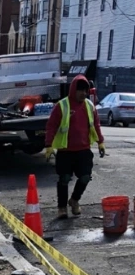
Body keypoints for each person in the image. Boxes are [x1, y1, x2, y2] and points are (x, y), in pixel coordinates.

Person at [44, 74, 105, 219]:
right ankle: (62, 207)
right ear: (73, 90)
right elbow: (51, 126)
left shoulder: (90, 106)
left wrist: (100, 142)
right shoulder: (62, 105)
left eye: (86, 91)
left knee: (85, 177)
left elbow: (95, 125)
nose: (84, 94)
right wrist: (48, 145)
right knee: (64, 179)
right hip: (66, 151)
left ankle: (74, 200)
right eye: (81, 91)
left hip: (83, 150)